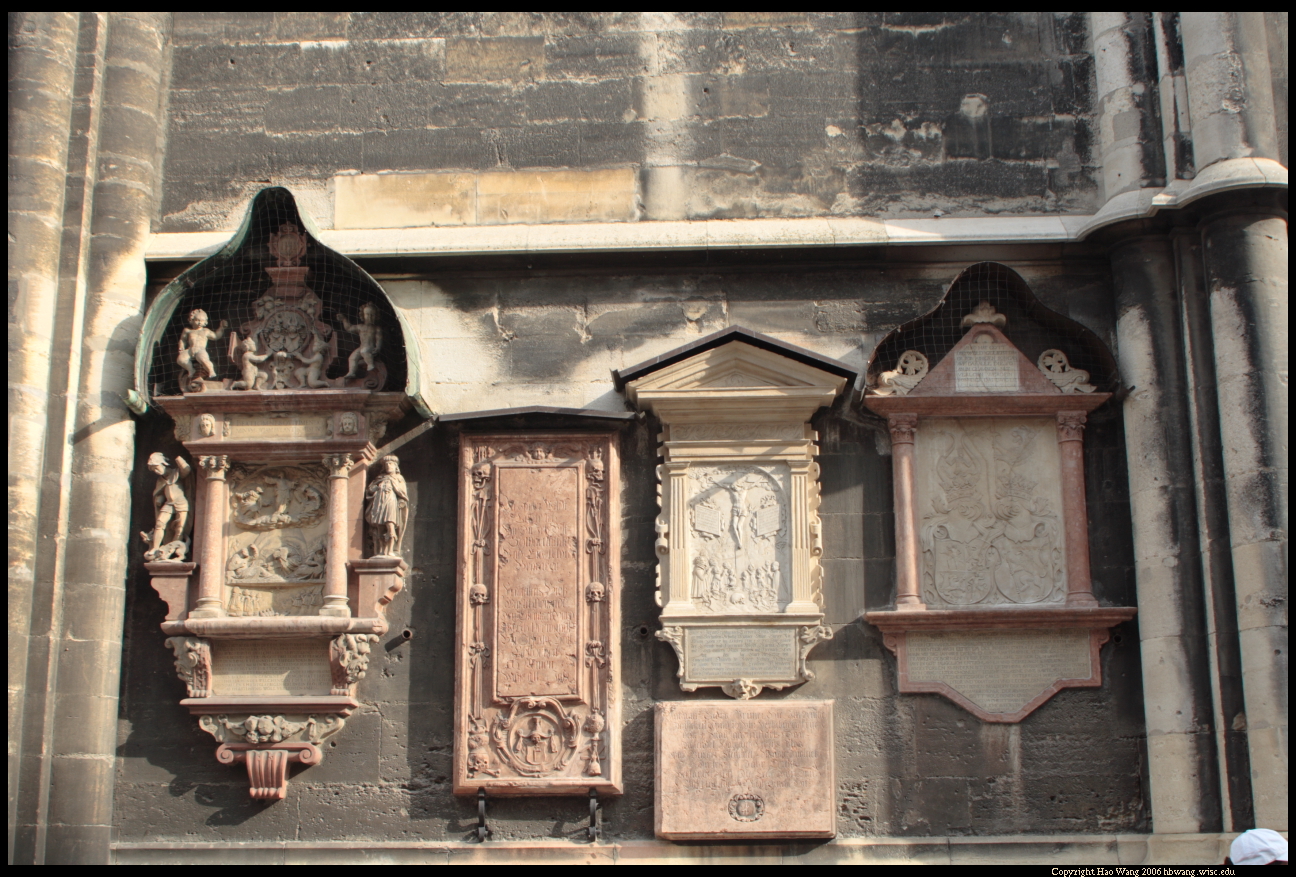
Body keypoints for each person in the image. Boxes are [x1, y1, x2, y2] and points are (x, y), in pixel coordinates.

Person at [365, 455, 408, 556]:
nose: (388, 466)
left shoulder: (398, 478)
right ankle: (381, 550)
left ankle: (390, 550)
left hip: (391, 503)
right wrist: (375, 488)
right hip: (379, 503)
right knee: (379, 527)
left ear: (395, 466)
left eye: (391, 464)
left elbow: (402, 493)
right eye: (386, 464)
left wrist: (401, 500)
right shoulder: (380, 478)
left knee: (390, 525)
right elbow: (370, 490)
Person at [176, 308, 228, 389]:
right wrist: (181, 347)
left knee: (203, 359)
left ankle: (211, 371)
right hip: (190, 349)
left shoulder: (205, 331)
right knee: (181, 359)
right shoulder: (188, 330)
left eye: (202, 321)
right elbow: (182, 340)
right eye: (197, 320)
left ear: (205, 322)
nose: (200, 323)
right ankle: (191, 369)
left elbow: (216, 336)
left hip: (200, 350)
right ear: (191, 320)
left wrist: (221, 328)